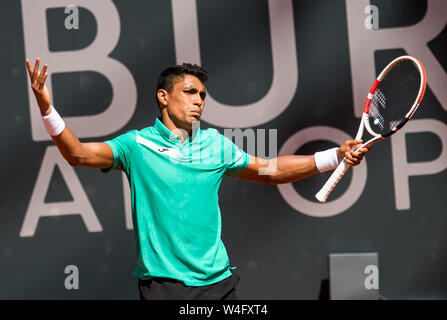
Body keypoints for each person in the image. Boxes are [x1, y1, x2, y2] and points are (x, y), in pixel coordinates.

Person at [26, 58, 369, 300]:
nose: (199, 101)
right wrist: (46, 108)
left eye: (202, 95)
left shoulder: (216, 145)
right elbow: (78, 154)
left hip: (220, 284)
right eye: (190, 92)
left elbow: (271, 170)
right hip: (166, 288)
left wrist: (334, 156)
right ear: (164, 97)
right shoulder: (136, 146)